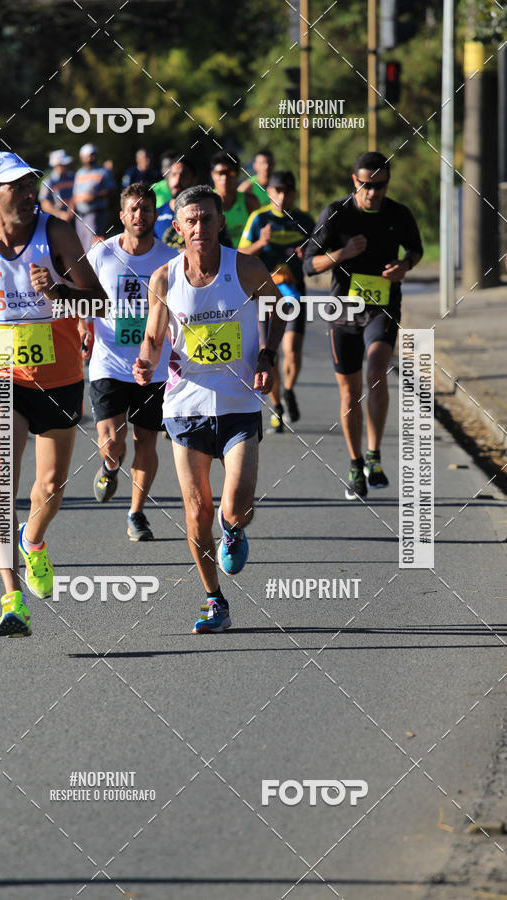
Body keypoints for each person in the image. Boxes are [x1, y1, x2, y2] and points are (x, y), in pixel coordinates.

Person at [0, 151, 106, 636]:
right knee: (0, 485)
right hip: (1, 372)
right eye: (16, 184)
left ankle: (33, 540)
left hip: (59, 375)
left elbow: (97, 297)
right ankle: (11, 599)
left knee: (50, 487)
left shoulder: (55, 231)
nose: (28, 189)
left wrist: (58, 291)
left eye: (30, 180)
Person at [133, 185, 286, 634]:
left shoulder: (247, 267)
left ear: (221, 223)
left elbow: (279, 310)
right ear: (178, 228)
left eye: (207, 219)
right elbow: (153, 336)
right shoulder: (164, 278)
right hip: (185, 405)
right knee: (196, 509)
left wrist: (266, 356)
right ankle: (214, 600)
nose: (200, 227)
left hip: (238, 401)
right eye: (191, 221)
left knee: (236, 503)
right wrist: (145, 360)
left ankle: (233, 527)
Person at [303, 151, 423, 499]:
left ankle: (374, 455)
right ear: (354, 181)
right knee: (349, 392)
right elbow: (309, 265)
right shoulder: (335, 213)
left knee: (376, 372)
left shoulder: (398, 214)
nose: (373, 193)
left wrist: (405, 266)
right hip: (343, 311)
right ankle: (355, 463)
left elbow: (415, 250)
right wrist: (343, 254)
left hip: (382, 307)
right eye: (366, 185)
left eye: (380, 186)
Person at [87, 183, 177, 540]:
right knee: (112, 441)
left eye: (147, 209)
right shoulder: (101, 255)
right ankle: (110, 467)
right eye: (134, 210)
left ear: (156, 214)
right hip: (108, 360)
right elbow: (83, 293)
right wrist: (82, 326)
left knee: (147, 441)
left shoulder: (170, 259)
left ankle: (136, 513)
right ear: (122, 216)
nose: (141, 216)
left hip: (153, 364)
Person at [239, 170, 314, 431]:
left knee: (292, 351)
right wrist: (261, 242)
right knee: (269, 352)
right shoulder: (258, 218)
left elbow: (318, 256)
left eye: (287, 191)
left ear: (293, 193)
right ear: (269, 192)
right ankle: (277, 405)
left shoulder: (304, 220)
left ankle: (290, 391)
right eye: (277, 191)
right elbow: (240, 253)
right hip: (265, 294)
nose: (282, 196)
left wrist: (308, 257)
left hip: (294, 293)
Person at [210, 151, 259, 248]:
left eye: (229, 172)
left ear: (237, 175)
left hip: (245, 259)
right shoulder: (205, 203)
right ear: (212, 175)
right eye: (220, 173)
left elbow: (259, 235)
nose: (224, 178)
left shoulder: (250, 202)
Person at [73, 143, 115, 253]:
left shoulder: (103, 171)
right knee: (82, 247)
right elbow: (75, 195)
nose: (91, 157)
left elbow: (111, 190)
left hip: (95, 214)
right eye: (88, 155)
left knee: (94, 247)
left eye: (93, 155)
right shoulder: (79, 173)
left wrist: (94, 196)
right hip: (80, 215)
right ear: (82, 157)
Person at [153, 156, 196, 250]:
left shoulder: (205, 215)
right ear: (167, 180)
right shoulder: (155, 216)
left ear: (193, 180)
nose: (178, 180)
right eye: (173, 175)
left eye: (183, 175)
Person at [39, 149, 75, 223]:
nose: (67, 166)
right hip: (57, 220)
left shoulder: (72, 177)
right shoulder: (48, 182)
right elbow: (44, 203)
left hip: (75, 217)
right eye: (63, 164)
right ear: (56, 165)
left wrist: (71, 211)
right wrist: (60, 214)